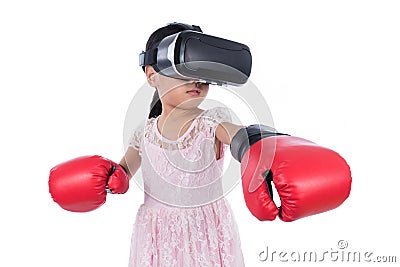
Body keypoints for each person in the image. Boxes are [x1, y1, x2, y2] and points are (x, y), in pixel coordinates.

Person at [120, 23, 247, 266]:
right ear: (152, 74)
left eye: (202, 71)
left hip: (202, 237)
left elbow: (235, 135)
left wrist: (255, 143)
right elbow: (123, 171)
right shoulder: (144, 133)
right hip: (156, 238)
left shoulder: (211, 121)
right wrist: (109, 179)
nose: (196, 80)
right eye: (184, 70)